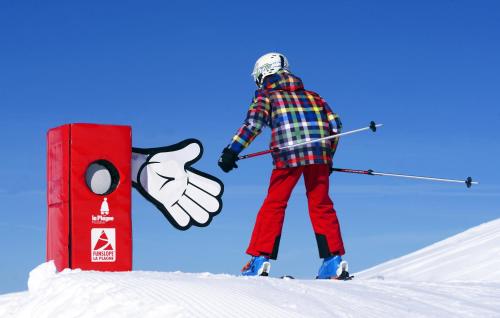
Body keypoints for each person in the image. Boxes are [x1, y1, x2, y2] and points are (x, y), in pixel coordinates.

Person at [218, 53, 349, 279]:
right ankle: (333, 261)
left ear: (262, 74)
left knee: (275, 204)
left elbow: (253, 124)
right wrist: (328, 157)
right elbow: (335, 126)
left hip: (287, 157)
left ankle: (260, 259)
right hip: (318, 154)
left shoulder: (267, 96)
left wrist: (232, 151)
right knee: (321, 204)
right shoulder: (314, 96)